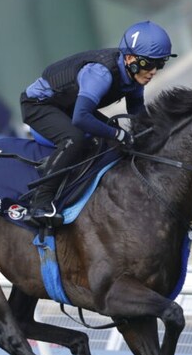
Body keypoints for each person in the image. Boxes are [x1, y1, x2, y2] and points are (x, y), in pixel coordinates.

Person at [21, 20, 177, 225]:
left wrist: (158, 136)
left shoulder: (134, 74)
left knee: (115, 136)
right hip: (40, 106)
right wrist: (119, 135)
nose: (153, 71)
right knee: (75, 139)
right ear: (130, 59)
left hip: (69, 105)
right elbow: (81, 117)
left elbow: (138, 114)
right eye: (149, 64)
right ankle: (39, 202)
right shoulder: (101, 73)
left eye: (160, 64)